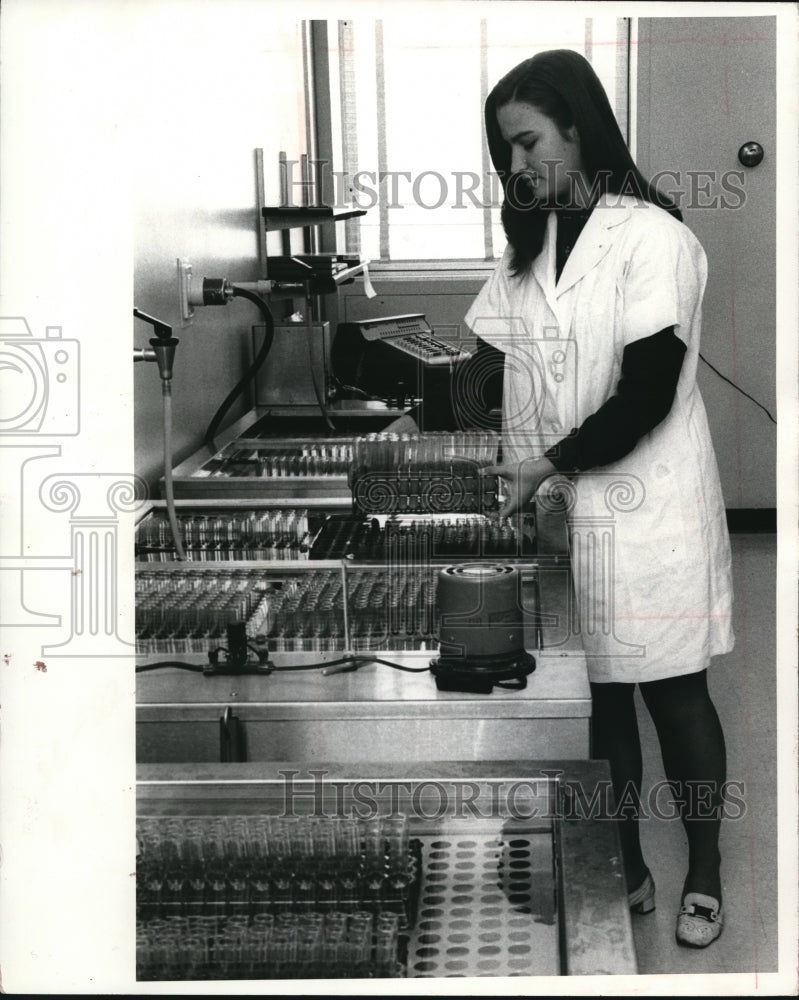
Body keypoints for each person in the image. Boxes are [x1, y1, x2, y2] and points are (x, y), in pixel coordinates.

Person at [395, 49, 734, 949]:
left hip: (647, 502)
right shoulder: (530, 244)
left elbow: (647, 391)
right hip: (560, 510)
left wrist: (546, 463)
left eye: (527, 142)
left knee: (674, 694)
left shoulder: (650, 238)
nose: (515, 165)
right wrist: (409, 421)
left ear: (579, 128)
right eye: (503, 149)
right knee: (598, 700)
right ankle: (621, 861)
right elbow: (480, 372)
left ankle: (704, 869)